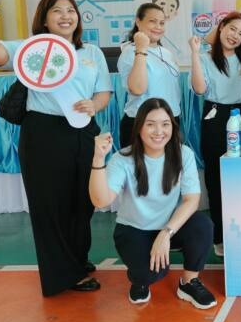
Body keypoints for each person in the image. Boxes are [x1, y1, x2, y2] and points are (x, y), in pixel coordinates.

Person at [0, 0, 112, 296]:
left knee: (82, 202)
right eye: (57, 11)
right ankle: (63, 275)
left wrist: (94, 105)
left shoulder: (91, 52)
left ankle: (76, 260)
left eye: (71, 10)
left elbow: (103, 92)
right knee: (50, 205)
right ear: (44, 19)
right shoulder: (32, 49)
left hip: (83, 131)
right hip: (43, 133)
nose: (66, 16)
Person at [89, 98, 217, 309]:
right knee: (150, 273)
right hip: (134, 229)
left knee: (202, 225)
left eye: (165, 124)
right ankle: (140, 280)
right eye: (150, 124)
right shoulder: (122, 159)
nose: (159, 131)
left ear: (172, 127)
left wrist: (166, 233)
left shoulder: (183, 154)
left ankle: (189, 282)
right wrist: (98, 159)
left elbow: (191, 200)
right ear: (139, 127)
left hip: (170, 228)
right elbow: (100, 200)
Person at [189, 12, 241, 258]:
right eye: (232, 29)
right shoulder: (205, 58)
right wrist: (195, 54)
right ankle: (220, 237)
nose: (235, 36)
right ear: (221, 27)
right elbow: (199, 89)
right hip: (215, 118)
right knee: (215, 180)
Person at [117, 3, 181, 148]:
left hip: (170, 120)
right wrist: (141, 48)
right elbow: (137, 89)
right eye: (152, 21)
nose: (158, 26)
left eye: (162, 23)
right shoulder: (130, 52)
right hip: (142, 122)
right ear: (138, 22)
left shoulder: (166, 53)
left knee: (171, 163)